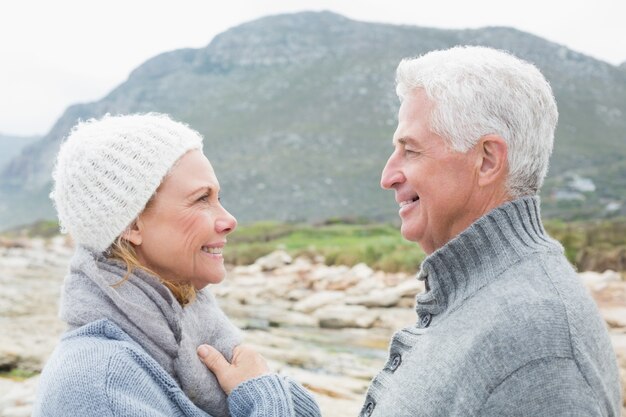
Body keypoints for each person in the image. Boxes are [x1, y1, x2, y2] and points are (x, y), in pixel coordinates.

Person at [202, 46, 622, 416]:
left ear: (488, 160)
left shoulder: (541, 344)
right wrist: (266, 397)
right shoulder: (483, 297)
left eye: (411, 150)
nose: (388, 175)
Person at [33, 114, 320, 417]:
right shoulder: (98, 386)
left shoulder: (194, 338)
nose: (229, 220)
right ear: (132, 223)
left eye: (218, 197)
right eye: (201, 199)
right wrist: (263, 396)